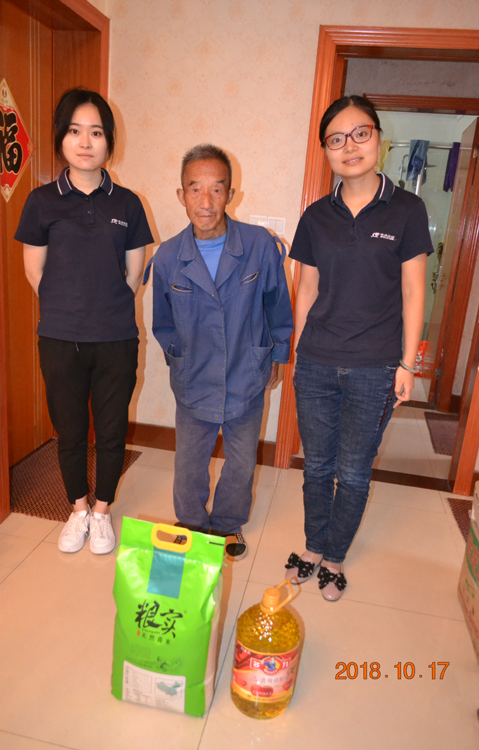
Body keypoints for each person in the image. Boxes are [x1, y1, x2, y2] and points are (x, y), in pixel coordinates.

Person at [284, 95, 433, 600]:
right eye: (336, 139)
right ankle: (312, 547)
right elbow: (306, 289)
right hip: (317, 360)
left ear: (378, 139)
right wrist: (298, 354)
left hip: (375, 365)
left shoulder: (408, 209)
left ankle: (335, 556)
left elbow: (414, 290)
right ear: (325, 150)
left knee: (352, 470)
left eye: (360, 133)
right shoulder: (315, 216)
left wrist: (407, 363)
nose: (349, 146)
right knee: (316, 465)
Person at [15, 88, 153, 555]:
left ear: (109, 140)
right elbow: (35, 272)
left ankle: (102, 511)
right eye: (75, 131)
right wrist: (68, 308)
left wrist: (102, 308)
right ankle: (77, 508)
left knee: (112, 431)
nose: (86, 142)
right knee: (70, 431)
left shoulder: (129, 204)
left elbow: (134, 275)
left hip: (116, 338)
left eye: (96, 132)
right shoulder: (41, 202)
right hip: (59, 338)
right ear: (61, 137)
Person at [149, 144, 293, 560]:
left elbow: (277, 304)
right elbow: (163, 322)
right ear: (181, 195)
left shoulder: (259, 245)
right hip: (193, 377)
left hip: (246, 372)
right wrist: (178, 357)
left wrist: (277, 354)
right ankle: (192, 523)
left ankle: (228, 524)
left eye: (217, 189)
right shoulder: (168, 256)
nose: (206, 201)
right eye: (195, 189)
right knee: (189, 462)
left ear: (232, 194)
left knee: (242, 460)